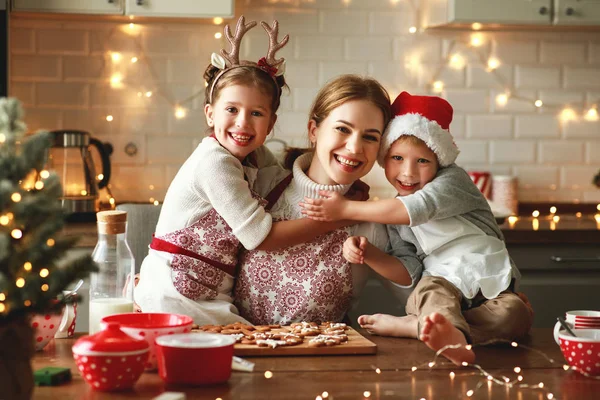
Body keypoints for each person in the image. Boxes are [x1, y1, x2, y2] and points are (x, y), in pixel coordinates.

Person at [134, 17, 348, 325]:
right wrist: (340, 215)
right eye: (232, 110)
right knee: (249, 360)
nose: (243, 123)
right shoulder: (214, 163)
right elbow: (261, 238)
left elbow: (284, 186)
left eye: (256, 113)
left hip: (205, 292)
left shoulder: (254, 156)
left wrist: (336, 184)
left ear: (271, 124)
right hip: (175, 294)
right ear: (210, 114)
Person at [299, 91, 533, 365]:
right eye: (397, 158)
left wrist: (344, 209)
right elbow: (410, 271)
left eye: (422, 161)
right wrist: (370, 254)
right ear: (384, 159)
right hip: (440, 281)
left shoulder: (453, 181)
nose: (408, 172)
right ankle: (448, 335)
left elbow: (419, 207)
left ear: (439, 161)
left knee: (515, 315)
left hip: (489, 276)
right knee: (431, 296)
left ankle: (417, 327)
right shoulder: (394, 218)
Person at [233, 74, 412, 325]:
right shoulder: (260, 186)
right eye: (342, 129)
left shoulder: (369, 225)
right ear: (314, 130)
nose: (354, 148)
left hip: (319, 361)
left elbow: (414, 297)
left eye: (370, 137)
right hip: (239, 355)